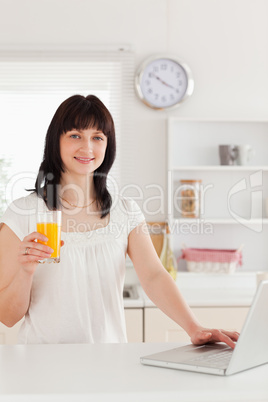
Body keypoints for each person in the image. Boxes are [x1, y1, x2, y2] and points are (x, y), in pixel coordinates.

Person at [0, 94, 239, 347]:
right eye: (75, 135)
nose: (87, 147)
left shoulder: (126, 211)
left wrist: (194, 327)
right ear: (55, 141)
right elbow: (7, 317)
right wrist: (26, 272)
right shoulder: (22, 213)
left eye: (97, 137)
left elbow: (154, 276)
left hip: (109, 364)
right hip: (43, 367)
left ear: (107, 145)